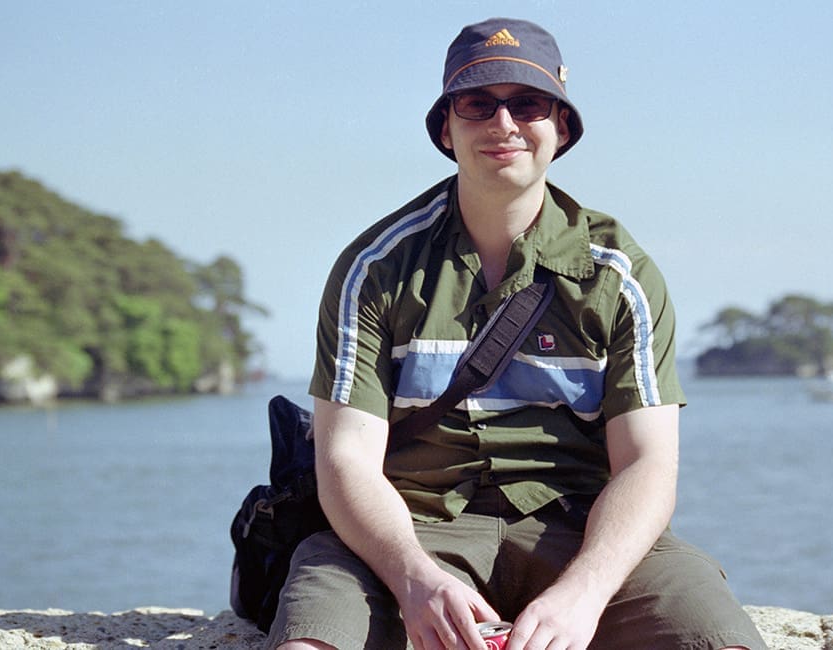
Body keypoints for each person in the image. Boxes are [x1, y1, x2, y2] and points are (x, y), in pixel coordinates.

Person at [266, 17, 767, 650]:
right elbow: (345, 458)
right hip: (411, 533)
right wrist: (414, 579)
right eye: (477, 104)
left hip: (581, 534)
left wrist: (583, 594)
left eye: (527, 104)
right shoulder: (375, 269)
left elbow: (647, 463)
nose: (503, 124)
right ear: (446, 128)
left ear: (562, 127)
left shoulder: (621, 276)